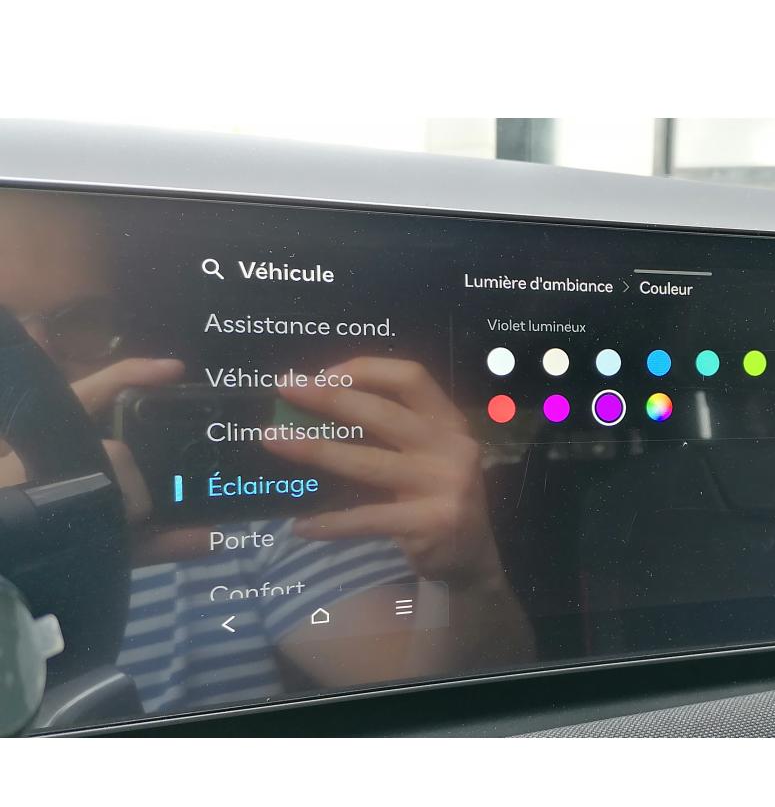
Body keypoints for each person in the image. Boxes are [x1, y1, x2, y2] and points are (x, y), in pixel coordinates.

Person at [0, 191, 532, 717]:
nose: (39, 357)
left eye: (81, 318)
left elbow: (437, 705)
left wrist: (466, 580)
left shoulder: (231, 498)